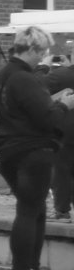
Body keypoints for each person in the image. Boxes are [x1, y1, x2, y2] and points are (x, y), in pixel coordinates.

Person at [0, 26, 74, 270]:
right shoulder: (24, 78)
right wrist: (64, 104)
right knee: (29, 210)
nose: (44, 57)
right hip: (31, 151)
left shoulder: (3, 74)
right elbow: (47, 117)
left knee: (33, 208)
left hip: (7, 150)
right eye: (43, 51)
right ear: (34, 49)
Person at [40, 54, 74, 223]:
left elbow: (37, 86)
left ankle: (62, 210)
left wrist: (45, 66)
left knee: (62, 170)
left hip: (66, 129)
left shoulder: (61, 75)